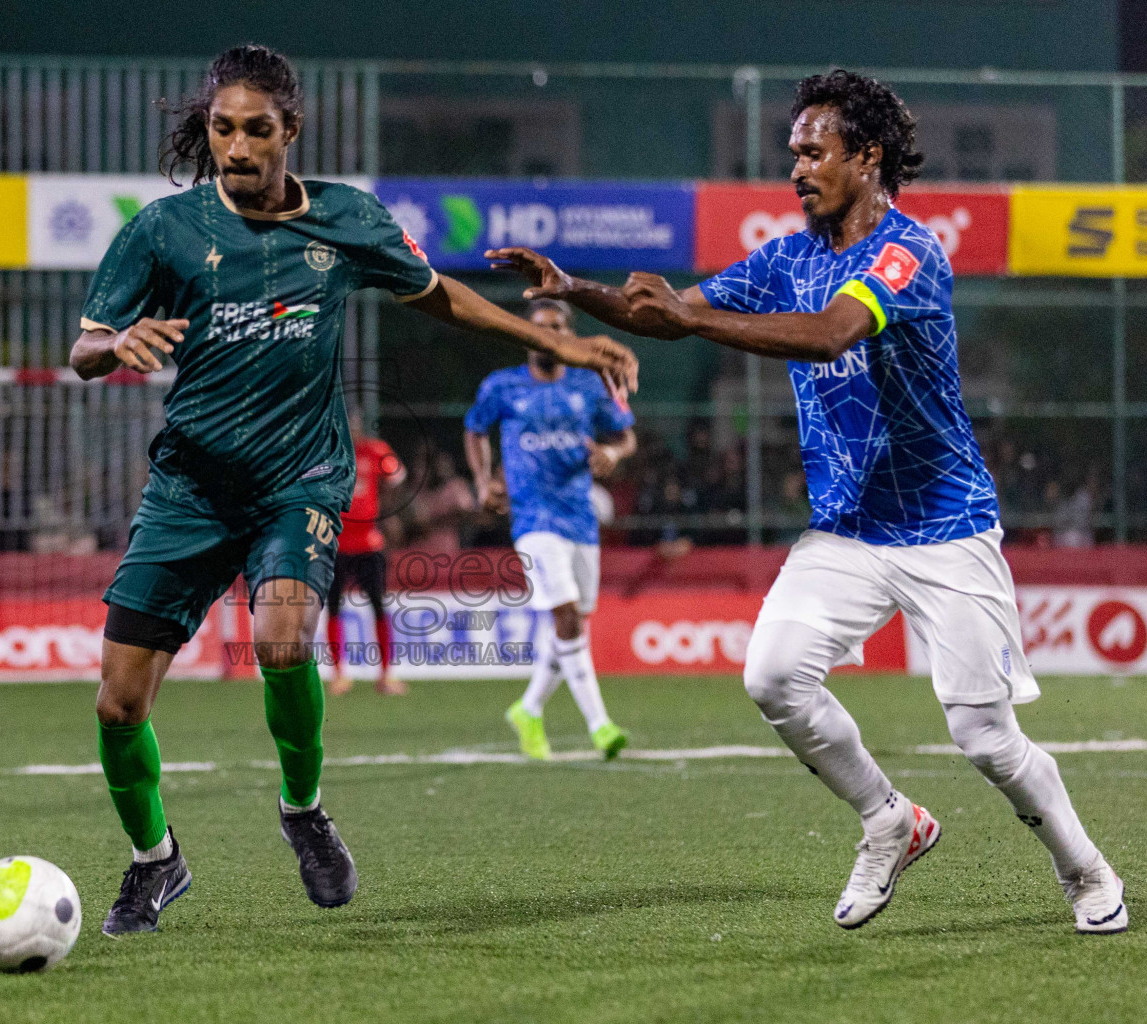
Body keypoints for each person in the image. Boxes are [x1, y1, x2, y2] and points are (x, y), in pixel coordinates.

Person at [489, 69, 1126, 935]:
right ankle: (888, 818)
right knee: (772, 674)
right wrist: (573, 290)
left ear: (866, 159)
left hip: (945, 527)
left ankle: (1084, 869)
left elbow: (830, 332)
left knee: (984, 738)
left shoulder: (910, 252)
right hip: (848, 533)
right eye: (791, 150)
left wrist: (690, 321)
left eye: (812, 149)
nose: (795, 166)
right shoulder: (786, 256)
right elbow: (672, 310)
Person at [68, 44, 635, 937]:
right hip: (189, 489)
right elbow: (86, 345)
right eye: (223, 130)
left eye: (258, 131)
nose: (238, 149)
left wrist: (560, 344)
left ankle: (304, 811)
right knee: (118, 703)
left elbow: (438, 293)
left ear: (291, 130)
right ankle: (155, 862)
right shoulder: (163, 231)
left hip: (300, 482)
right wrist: (115, 345)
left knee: (284, 639)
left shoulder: (345, 219)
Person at [463, 298, 637, 762]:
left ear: (568, 333)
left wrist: (614, 455)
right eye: (539, 327)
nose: (547, 335)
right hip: (533, 518)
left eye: (556, 327)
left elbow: (625, 435)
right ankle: (600, 726)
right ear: (527, 334)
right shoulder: (503, 386)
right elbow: (475, 429)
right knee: (565, 617)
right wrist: (483, 481)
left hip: (579, 516)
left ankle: (529, 707)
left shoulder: (589, 384)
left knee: (572, 622)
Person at [327, 408, 407, 697]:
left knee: (378, 605)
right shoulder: (330, 452)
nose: (352, 428)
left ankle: (386, 675)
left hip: (369, 542)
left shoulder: (375, 450)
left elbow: (397, 477)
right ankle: (339, 674)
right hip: (336, 542)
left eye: (355, 423)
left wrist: (385, 510)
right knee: (334, 606)